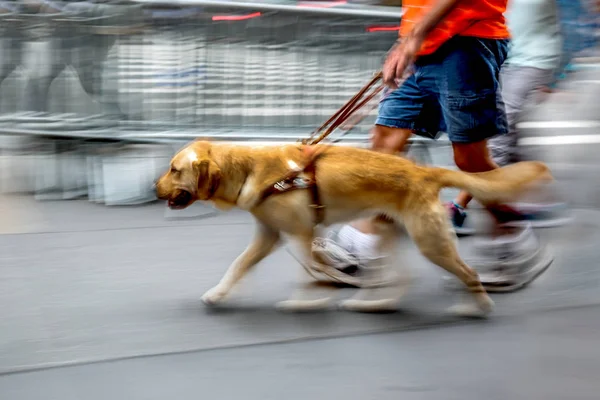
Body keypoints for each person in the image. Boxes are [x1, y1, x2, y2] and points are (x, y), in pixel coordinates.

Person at [310, 0, 553, 309]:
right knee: (384, 144)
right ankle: (361, 243)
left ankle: (513, 235)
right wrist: (407, 39)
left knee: (470, 159)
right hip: (421, 46)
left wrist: (413, 36)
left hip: (467, 43)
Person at [448, 0, 568, 236]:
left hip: (533, 62)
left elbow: (569, 20)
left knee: (496, 137)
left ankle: (459, 206)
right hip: (503, 59)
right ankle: (541, 199)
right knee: (509, 137)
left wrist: (560, 73)